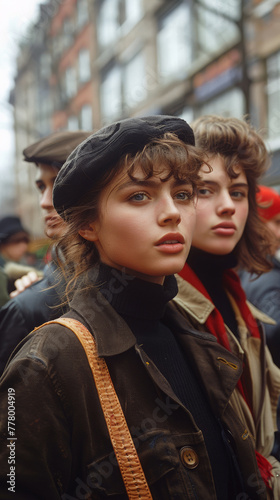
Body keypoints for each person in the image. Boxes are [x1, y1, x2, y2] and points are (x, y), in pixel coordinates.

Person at [0, 115, 266, 499]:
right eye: (139, 196)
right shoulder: (46, 364)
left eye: (184, 193)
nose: (172, 212)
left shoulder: (200, 339)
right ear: (87, 223)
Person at [174, 115, 280, 498]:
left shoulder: (239, 299)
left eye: (237, 192)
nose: (227, 207)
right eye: (205, 190)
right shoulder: (157, 302)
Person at [0, 130, 91, 376]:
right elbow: (12, 408)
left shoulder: (146, 279)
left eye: (60, 182)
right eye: (41, 186)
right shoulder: (28, 308)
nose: (44, 201)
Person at [240, 185, 280, 367]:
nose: (279, 234)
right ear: (256, 225)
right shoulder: (265, 278)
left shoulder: (242, 271)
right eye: (277, 223)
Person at [0, 215, 30, 300]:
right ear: (3, 244)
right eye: (17, 241)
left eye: (25, 241)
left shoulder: (22, 263)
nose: (24, 246)